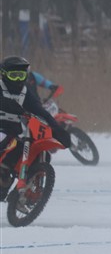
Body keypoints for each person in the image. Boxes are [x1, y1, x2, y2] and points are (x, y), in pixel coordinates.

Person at [0, 56, 71, 201]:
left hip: (15, 132)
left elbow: (41, 112)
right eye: (14, 76)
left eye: (22, 75)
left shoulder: (26, 93)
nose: (18, 80)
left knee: (32, 153)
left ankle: (25, 188)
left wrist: (58, 130)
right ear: (4, 74)